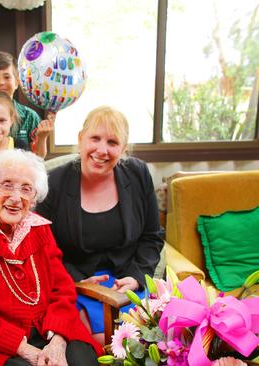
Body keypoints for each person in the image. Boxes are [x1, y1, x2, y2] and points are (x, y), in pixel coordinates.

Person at [0, 149, 102, 366]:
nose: (16, 198)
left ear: (35, 197)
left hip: (51, 329)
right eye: (7, 185)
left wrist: (58, 341)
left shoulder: (39, 227)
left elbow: (62, 287)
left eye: (26, 189)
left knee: (84, 362)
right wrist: (25, 349)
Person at [35, 106, 164, 344]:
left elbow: (152, 236)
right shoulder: (53, 182)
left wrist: (135, 278)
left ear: (123, 149)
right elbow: (41, 247)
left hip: (127, 283)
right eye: (95, 138)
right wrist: (75, 280)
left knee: (152, 338)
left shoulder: (138, 174)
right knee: (100, 342)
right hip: (74, 283)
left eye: (113, 142)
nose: (102, 150)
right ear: (80, 139)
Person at [0, 51, 54, 158]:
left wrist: (42, 137)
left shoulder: (30, 117)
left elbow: (38, 158)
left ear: (17, 82)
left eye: (7, 77)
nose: (1, 82)